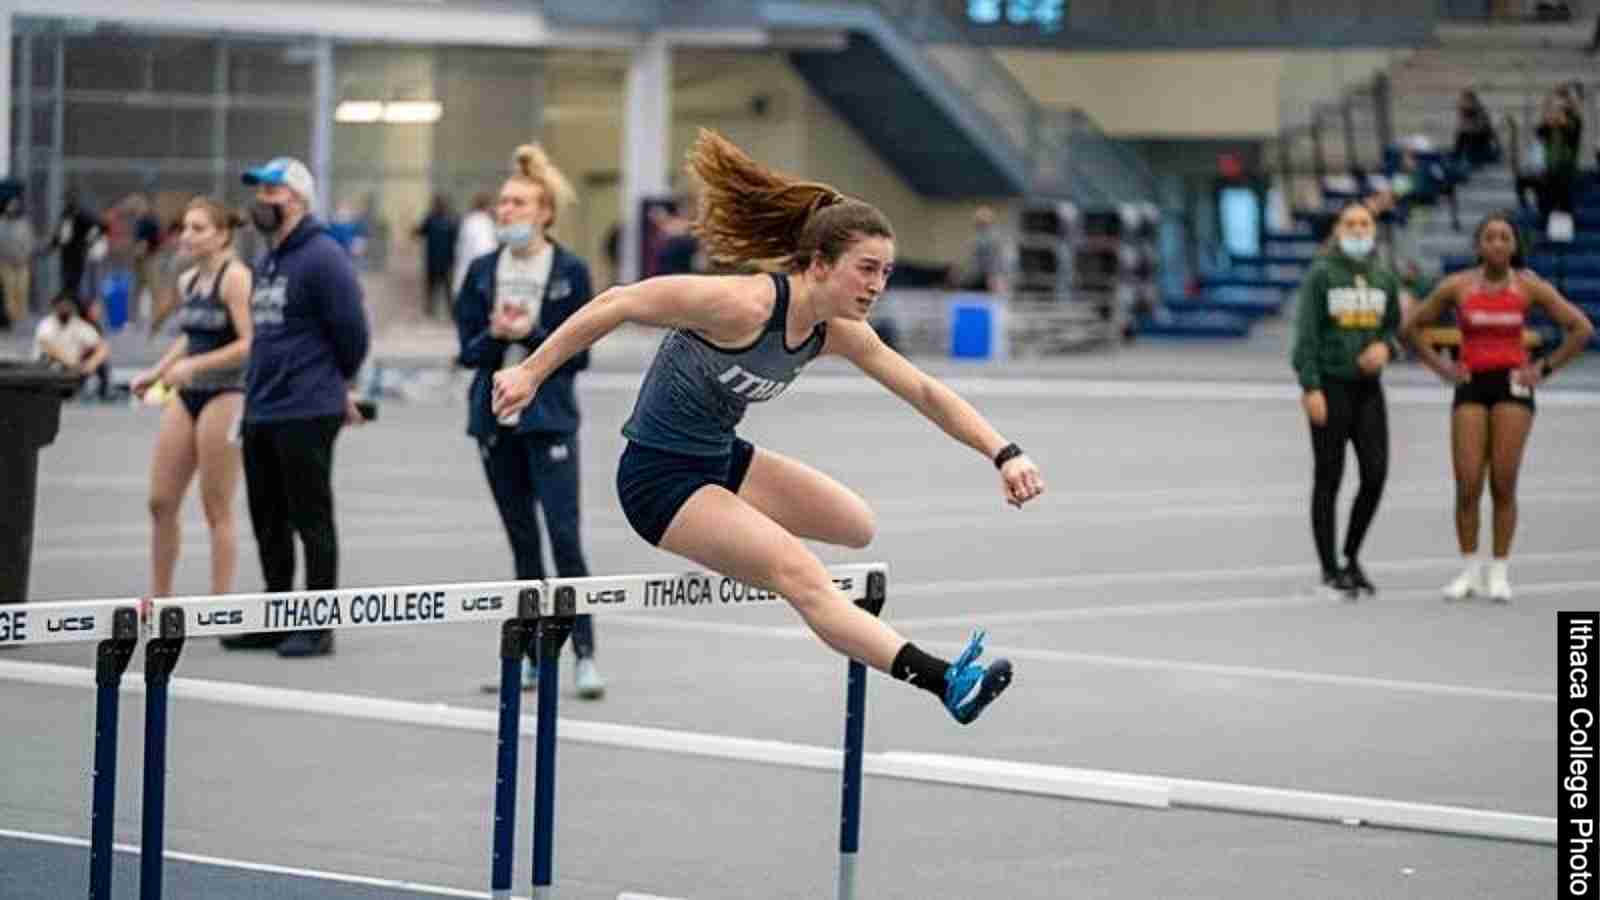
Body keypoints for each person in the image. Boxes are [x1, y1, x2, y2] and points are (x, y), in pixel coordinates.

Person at [492, 130, 1040, 724]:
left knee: (857, 526)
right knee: (803, 575)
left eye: (885, 271)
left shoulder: (835, 331)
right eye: (866, 270)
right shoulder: (744, 306)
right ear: (820, 264)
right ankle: (945, 682)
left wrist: (1002, 452)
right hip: (658, 480)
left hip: (722, 460)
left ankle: (745, 543)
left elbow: (927, 392)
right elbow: (619, 301)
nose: (878, 285)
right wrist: (530, 372)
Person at [456, 144, 604, 698]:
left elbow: (580, 355)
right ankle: (533, 659)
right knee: (523, 544)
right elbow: (469, 352)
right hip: (496, 422)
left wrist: (534, 335)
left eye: (518, 203)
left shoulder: (569, 271)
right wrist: (497, 335)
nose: (506, 211)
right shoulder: (480, 271)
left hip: (550, 421)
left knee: (565, 539)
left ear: (545, 212)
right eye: (502, 203)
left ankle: (585, 652)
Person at [1402, 213, 1594, 602]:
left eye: (1505, 237)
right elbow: (1408, 327)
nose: (1497, 244)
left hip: (1513, 387)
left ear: (1514, 245)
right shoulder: (1457, 286)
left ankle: (1499, 571)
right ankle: (1469, 570)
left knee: (1503, 482)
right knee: (1468, 482)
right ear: (1478, 246)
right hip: (1471, 385)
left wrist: (1544, 368)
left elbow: (1581, 328)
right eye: (1489, 237)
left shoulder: (1528, 287)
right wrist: (1441, 367)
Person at [228, 157, 370, 657]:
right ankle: (276, 615)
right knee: (268, 518)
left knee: (311, 517)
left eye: (273, 191)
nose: (263, 201)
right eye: (260, 192)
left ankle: (317, 622)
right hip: (263, 407)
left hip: (306, 407)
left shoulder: (322, 256)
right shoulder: (270, 257)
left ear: (299, 198)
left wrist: (334, 384)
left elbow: (353, 334)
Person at [129, 198, 253, 599]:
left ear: (222, 235)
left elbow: (252, 343)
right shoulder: (188, 282)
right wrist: (159, 371)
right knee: (160, 502)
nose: (188, 236)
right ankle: (161, 601)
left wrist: (197, 367)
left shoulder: (236, 279)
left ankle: (218, 605)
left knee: (215, 505)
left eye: (198, 228)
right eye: (185, 227)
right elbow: (190, 336)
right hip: (186, 393)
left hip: (227, 393)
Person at [1289, 201, 1404, 599]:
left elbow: (1393, 328)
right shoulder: (1322, 276)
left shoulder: (1384, 277)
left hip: (1368, 391)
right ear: (1338, 230)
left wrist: (1386, 349)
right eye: (1351, 223)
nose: (1358, 230)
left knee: (1375, 473)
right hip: (1330, 386)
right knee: (1329, 478)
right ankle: (1328, 569)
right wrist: (1310, 386)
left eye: (1365, 223)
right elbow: (1306, 335)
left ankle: (1351, 555)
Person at [34, 291, 108, 394]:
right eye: (62, 306)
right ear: (55, 307)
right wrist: (70, 362)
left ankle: (102, 393)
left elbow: (102, 347)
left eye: (68, 306)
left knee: (98, 360)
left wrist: (91, 364)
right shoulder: (47, 324)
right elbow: (48, 347)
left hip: (74, 367)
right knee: (48, 360)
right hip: (51, 366)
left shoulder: (78, 324)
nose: (65, 309)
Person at [414, 194, 458, 319]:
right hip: (444, 261)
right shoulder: (449, 220)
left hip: (435, 261)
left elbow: (418, 232)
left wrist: (413, 229)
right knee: (443, 288)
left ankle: (432, 311)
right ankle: (446, 312)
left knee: (434, 288)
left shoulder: (433, 219)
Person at [0, 196, 37, 329]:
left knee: (22, 289)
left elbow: (30, 242)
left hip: (22, 263)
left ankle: (20, 317)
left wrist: (26, 256)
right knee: (9, 291)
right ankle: (12, 316)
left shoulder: (24, 224)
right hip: (6, 263)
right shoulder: (2, 223)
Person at [453, 192, 497, 296]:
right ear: (487, 206)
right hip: (477, 282)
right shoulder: (484, 223)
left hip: (464, 277)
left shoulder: (468, 221)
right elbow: (484, 250)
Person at [1451, 90, 1499, 169]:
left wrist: (1467, 127)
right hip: (1472, 151)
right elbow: (1462, 131)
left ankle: (1458, 159)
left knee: (1465, 135)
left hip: (1481, 150)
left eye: (1466, 101)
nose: (1463, 105)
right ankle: (1456, 159)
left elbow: (1481, 130)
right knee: (1462, 135)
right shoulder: (1466, 114)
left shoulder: (1480, 114)